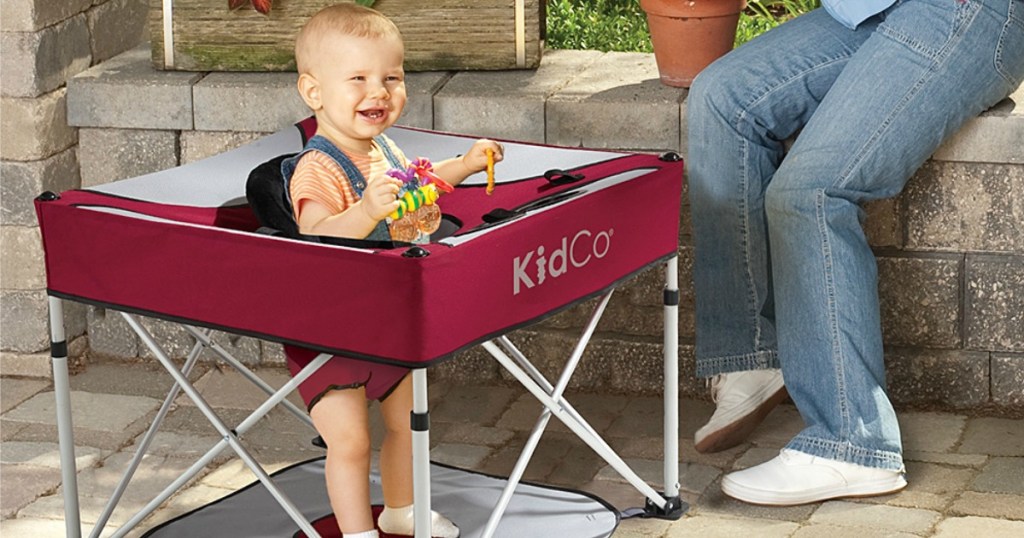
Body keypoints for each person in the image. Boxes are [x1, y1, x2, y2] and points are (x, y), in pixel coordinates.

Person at [687, 0, 1023, 506]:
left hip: (965, 10)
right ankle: (754, 356)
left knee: (811, 192)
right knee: (721, 99)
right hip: (868, 7)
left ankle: (854, 441)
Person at [282, 4, 503, 537]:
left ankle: (402, 508)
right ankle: (357, 533)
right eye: (357, 78)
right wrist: (364, 212)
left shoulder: (383, 150)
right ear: (314, 93)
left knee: (407, 423)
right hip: (329, 328)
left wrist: (464, 166)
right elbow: (313, 235)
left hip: (390, 317)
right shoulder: (319, 166)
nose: (378, 92)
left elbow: (421, 186)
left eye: (391, 78)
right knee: (351, 441)